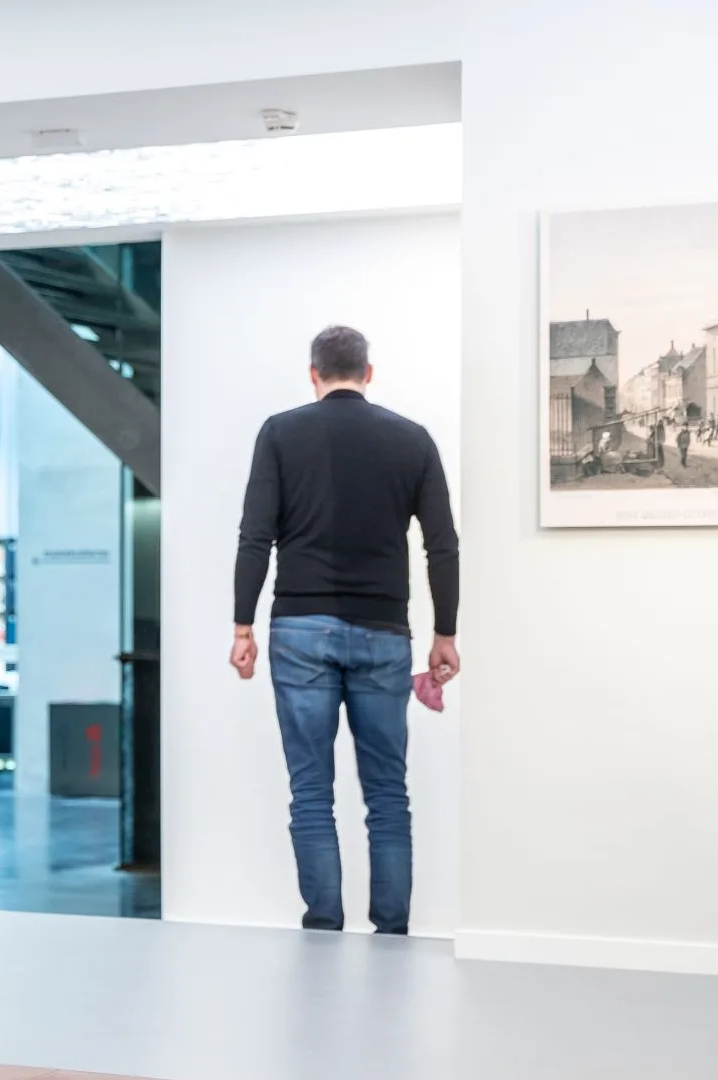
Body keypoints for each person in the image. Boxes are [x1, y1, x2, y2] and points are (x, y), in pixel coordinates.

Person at [230, 325, 460, 936]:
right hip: (384, 631)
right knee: (388, 794)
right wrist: (445, 632)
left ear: (313, 374)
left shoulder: (280, 433)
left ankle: (324, 929)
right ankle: (391, 934)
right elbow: (443, 545)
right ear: (368, 372)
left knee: (311, 791)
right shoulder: (412, 440)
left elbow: (255, 535)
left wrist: (242, 624)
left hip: (299, 629)